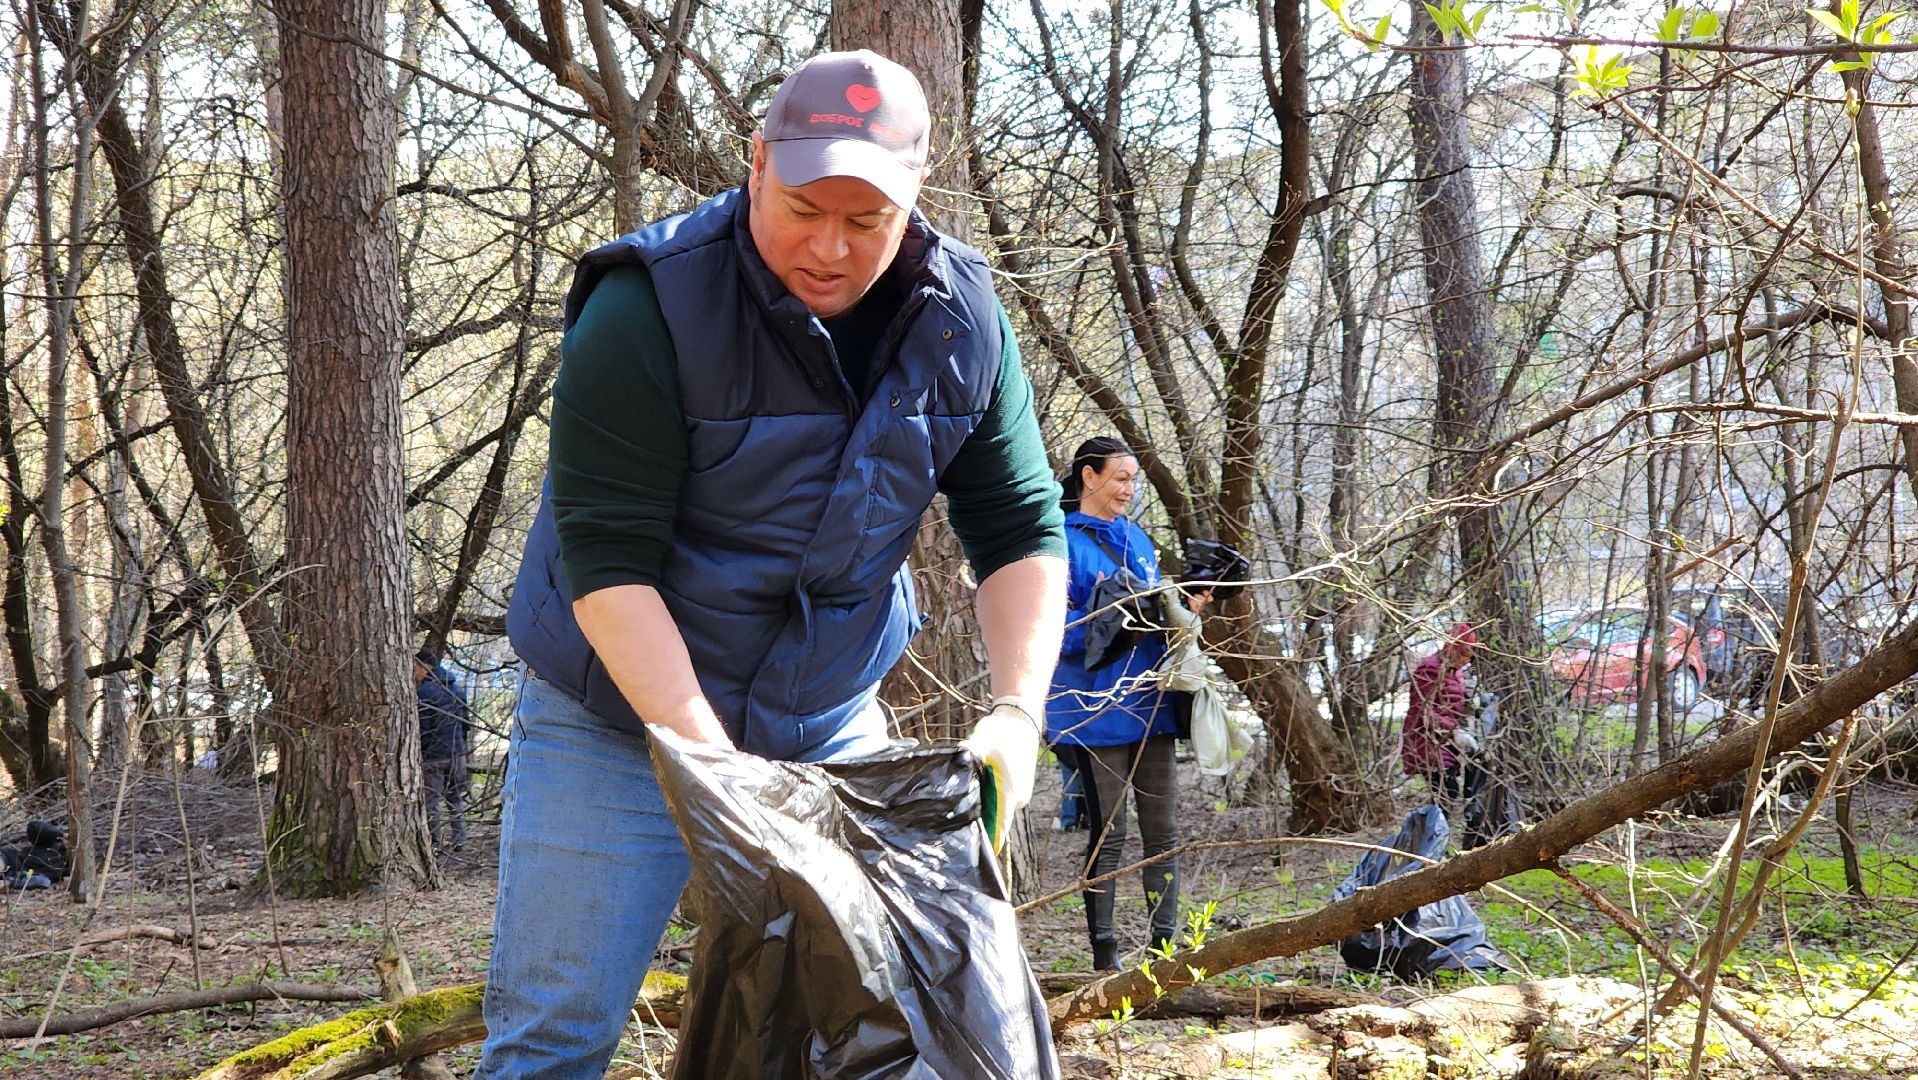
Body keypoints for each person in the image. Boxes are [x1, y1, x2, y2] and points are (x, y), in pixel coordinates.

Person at [483, 50, 1068, 1079]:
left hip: (825, 717)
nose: (830, 250)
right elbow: (605, 564)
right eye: (803, 208)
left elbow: (1019, 527)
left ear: (914, 198)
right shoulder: (646, 308)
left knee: (874, 1021)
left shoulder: (962, 318)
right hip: (615, 717)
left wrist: (1017, 716)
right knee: (557, 1034)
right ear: (755, 162)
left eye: (866, 222)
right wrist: (719, 782)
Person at [1046, 436, 1207, 972]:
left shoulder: (1137, 538)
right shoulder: (1059, 542)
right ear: (1088, 477)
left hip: (1150, 704)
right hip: (1091, 710)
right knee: (1109, 835)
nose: (1129, 489)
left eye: (1134, 479)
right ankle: (1105, 961)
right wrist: (1114, 621)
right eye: (1120, 478)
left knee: (1164, 833)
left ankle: (1165, 955)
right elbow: (1052, 632)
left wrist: (1183, 608)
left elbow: (1153, 619)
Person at [1401, 623, 1482, 806]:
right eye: (1463, 654)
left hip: (1447, 743)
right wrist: (1454, 731)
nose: (1466, 661)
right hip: (1426, 742)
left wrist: (1470, 704)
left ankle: (1432, 831)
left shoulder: (1457, 673)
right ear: (1452, 648)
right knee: (1445, 794)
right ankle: (1429, 832)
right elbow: (1423, 710)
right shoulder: (1429, 668)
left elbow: (1452, 706)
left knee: (1448, 795)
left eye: (1470, 656)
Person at [414, 649, 471, 853]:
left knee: (432, 801)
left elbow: (424, 728)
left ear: (423, 667)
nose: (414, 674)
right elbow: (466, 724)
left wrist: (421, 751)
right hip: (457, 755)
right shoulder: (457, 689)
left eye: (415, 668)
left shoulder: (424, 693)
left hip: (434, 758)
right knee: (455, 799)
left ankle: (434, 842)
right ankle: (459, 839)